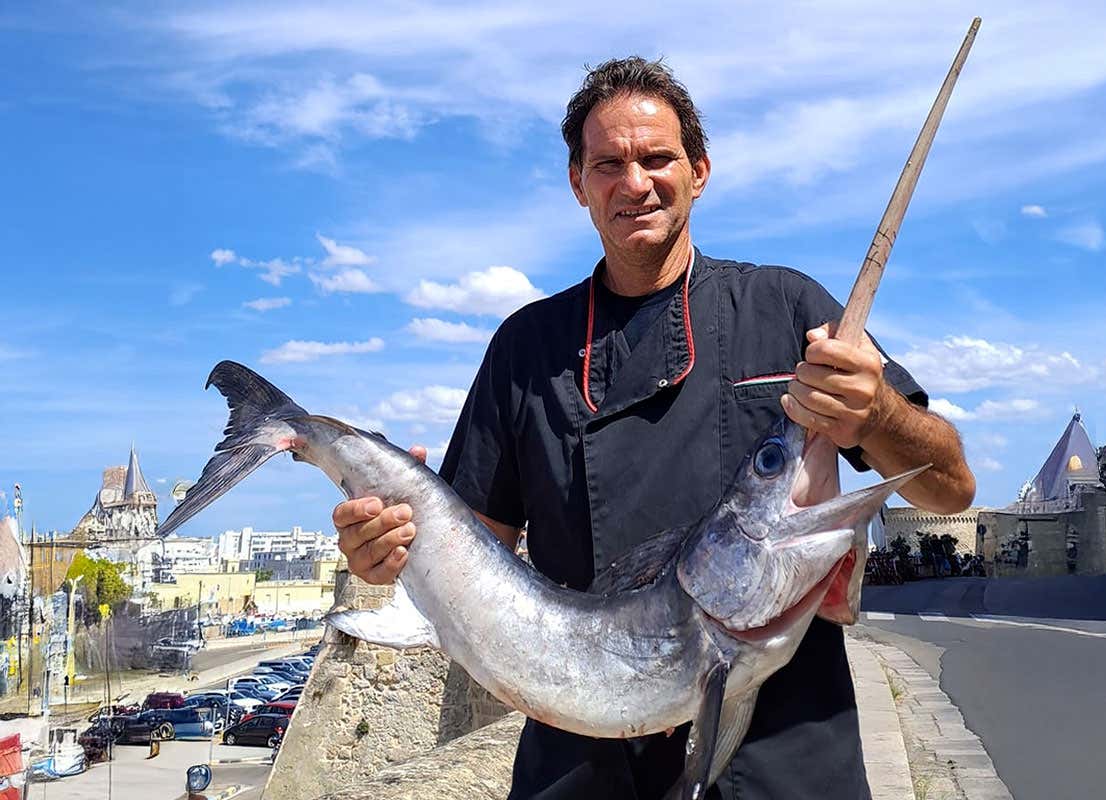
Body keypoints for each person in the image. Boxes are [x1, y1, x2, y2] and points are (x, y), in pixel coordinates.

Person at [335, 57, 975, 799]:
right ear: (578, 184)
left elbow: (949, 488)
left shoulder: (787, 307)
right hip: (582, 758)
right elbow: (473, 550)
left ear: (699, 171)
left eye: (657, 158)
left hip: (785, 765)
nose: (634, 183)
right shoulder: (524, 349)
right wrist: (391, 552)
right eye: (608, 163)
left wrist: (880, 412)